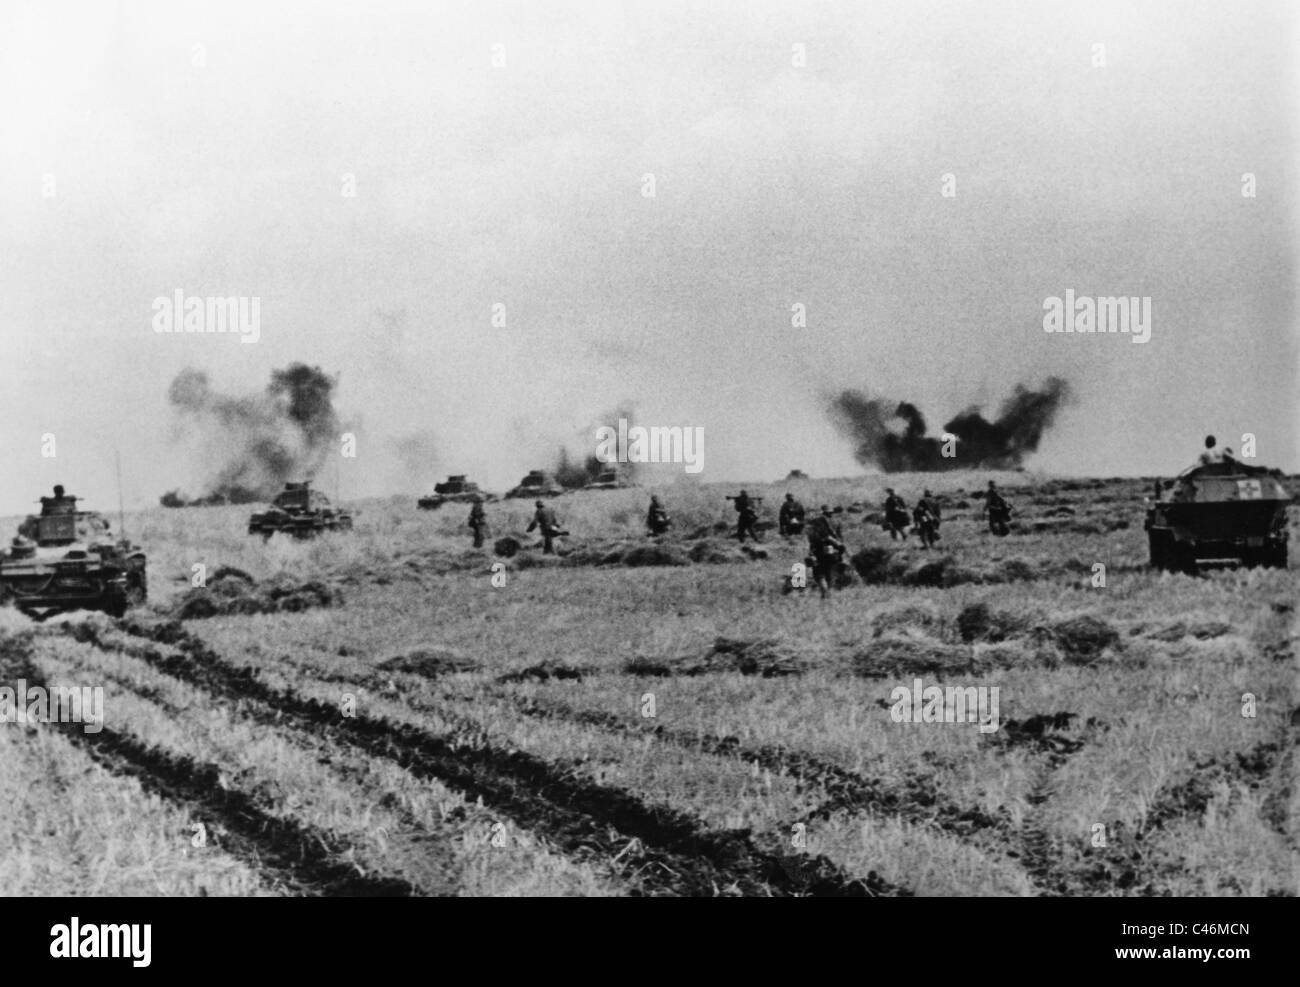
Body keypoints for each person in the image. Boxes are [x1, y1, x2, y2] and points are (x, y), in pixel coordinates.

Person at [806, 506, 846, 599]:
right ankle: (828, 593)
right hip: (834, 552)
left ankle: (825, 592)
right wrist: (840, 547)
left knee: (819, 573)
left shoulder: (816, 522)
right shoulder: (837, 522)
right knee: (830, 573)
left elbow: (812, 538)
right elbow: (840, 538)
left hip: (819, 551)